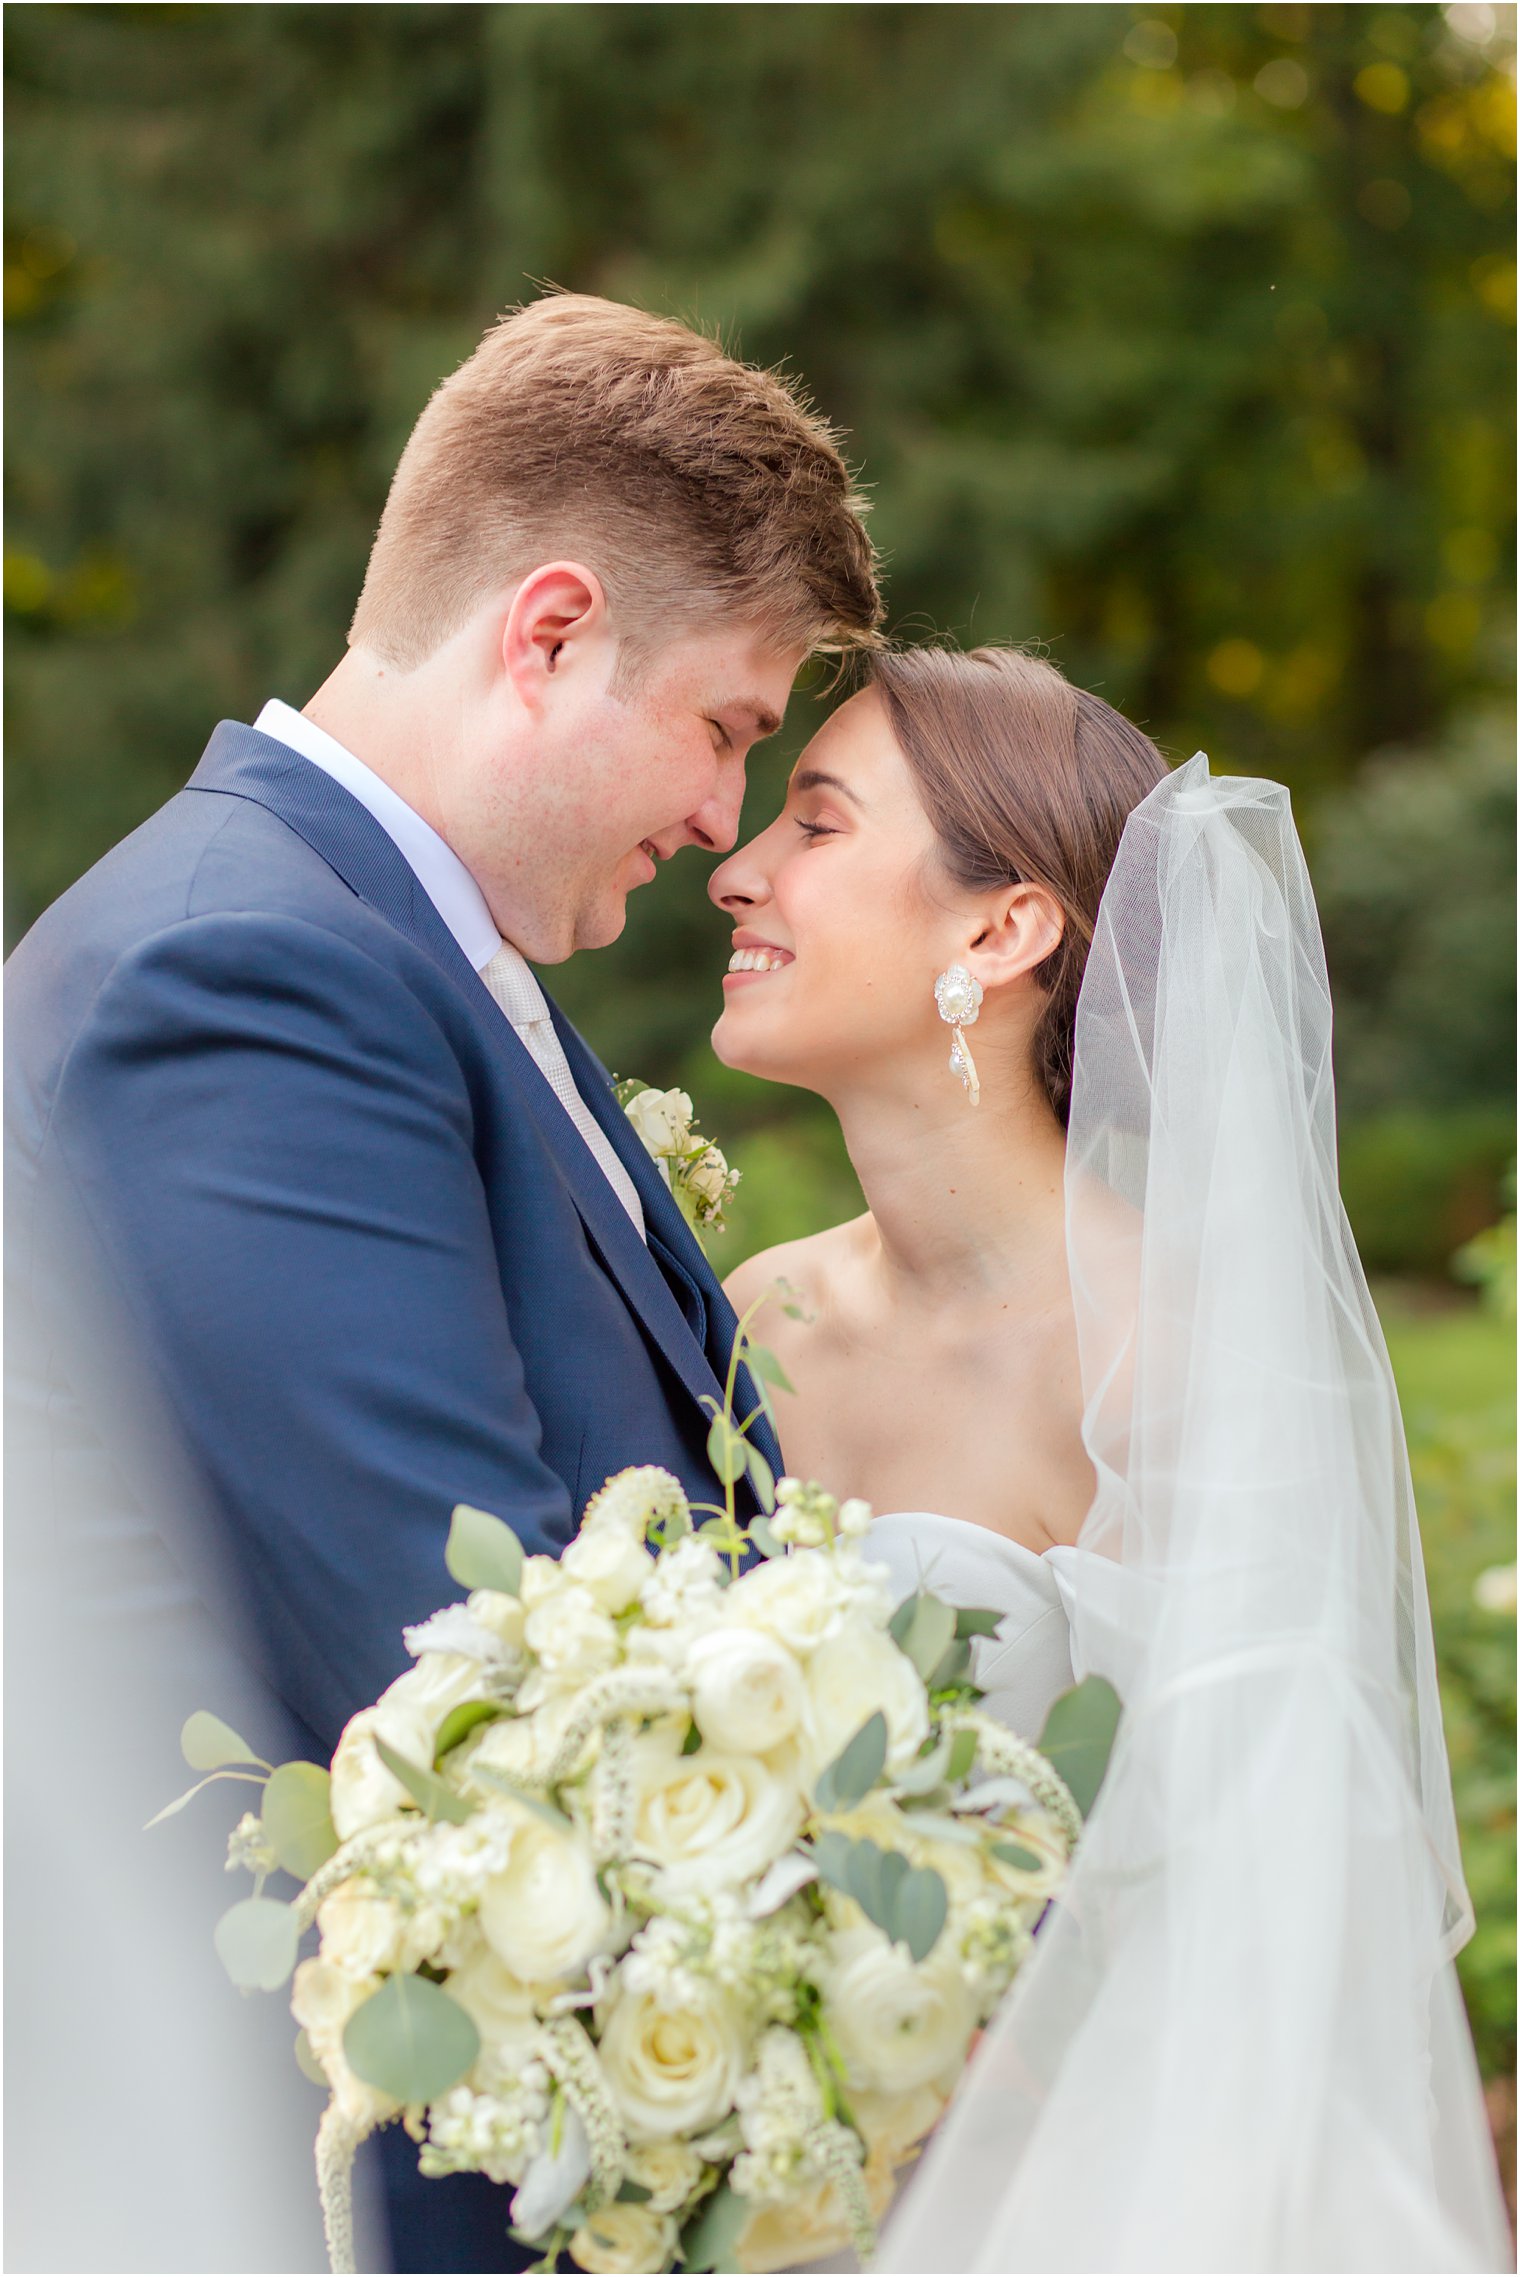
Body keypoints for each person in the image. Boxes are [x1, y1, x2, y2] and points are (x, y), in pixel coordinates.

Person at [3, 290, 879, 2275]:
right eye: (731, 725)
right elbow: (462, 1651)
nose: (720, 820)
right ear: (550, 630)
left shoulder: (403, 950)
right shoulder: (244, 976)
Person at [711, 644, 1512, 2271]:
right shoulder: (754, 1319)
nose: (736, 871)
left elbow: (1270, 1930)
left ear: (1001, 931)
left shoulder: (1184, 1358)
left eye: (815, 824)